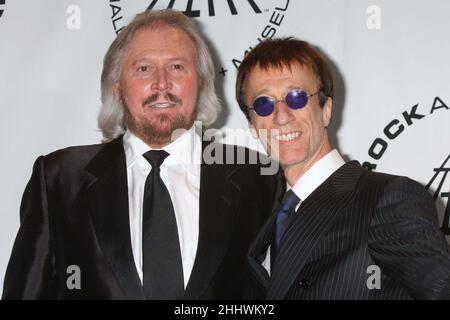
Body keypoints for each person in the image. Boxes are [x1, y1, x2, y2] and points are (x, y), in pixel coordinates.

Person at [2, 9, 281, 300]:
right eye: (143, 69)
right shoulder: (60, 179)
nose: (162, 84)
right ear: (119, 89)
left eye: (176, 67)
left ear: (200, 83)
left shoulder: (258, 178)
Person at [235, 37, 450, 299]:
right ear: (253, 125)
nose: (281, 116)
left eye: (296, 97)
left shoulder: (386, 198)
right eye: (264, 103)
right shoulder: (264, 219)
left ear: (326, 109)